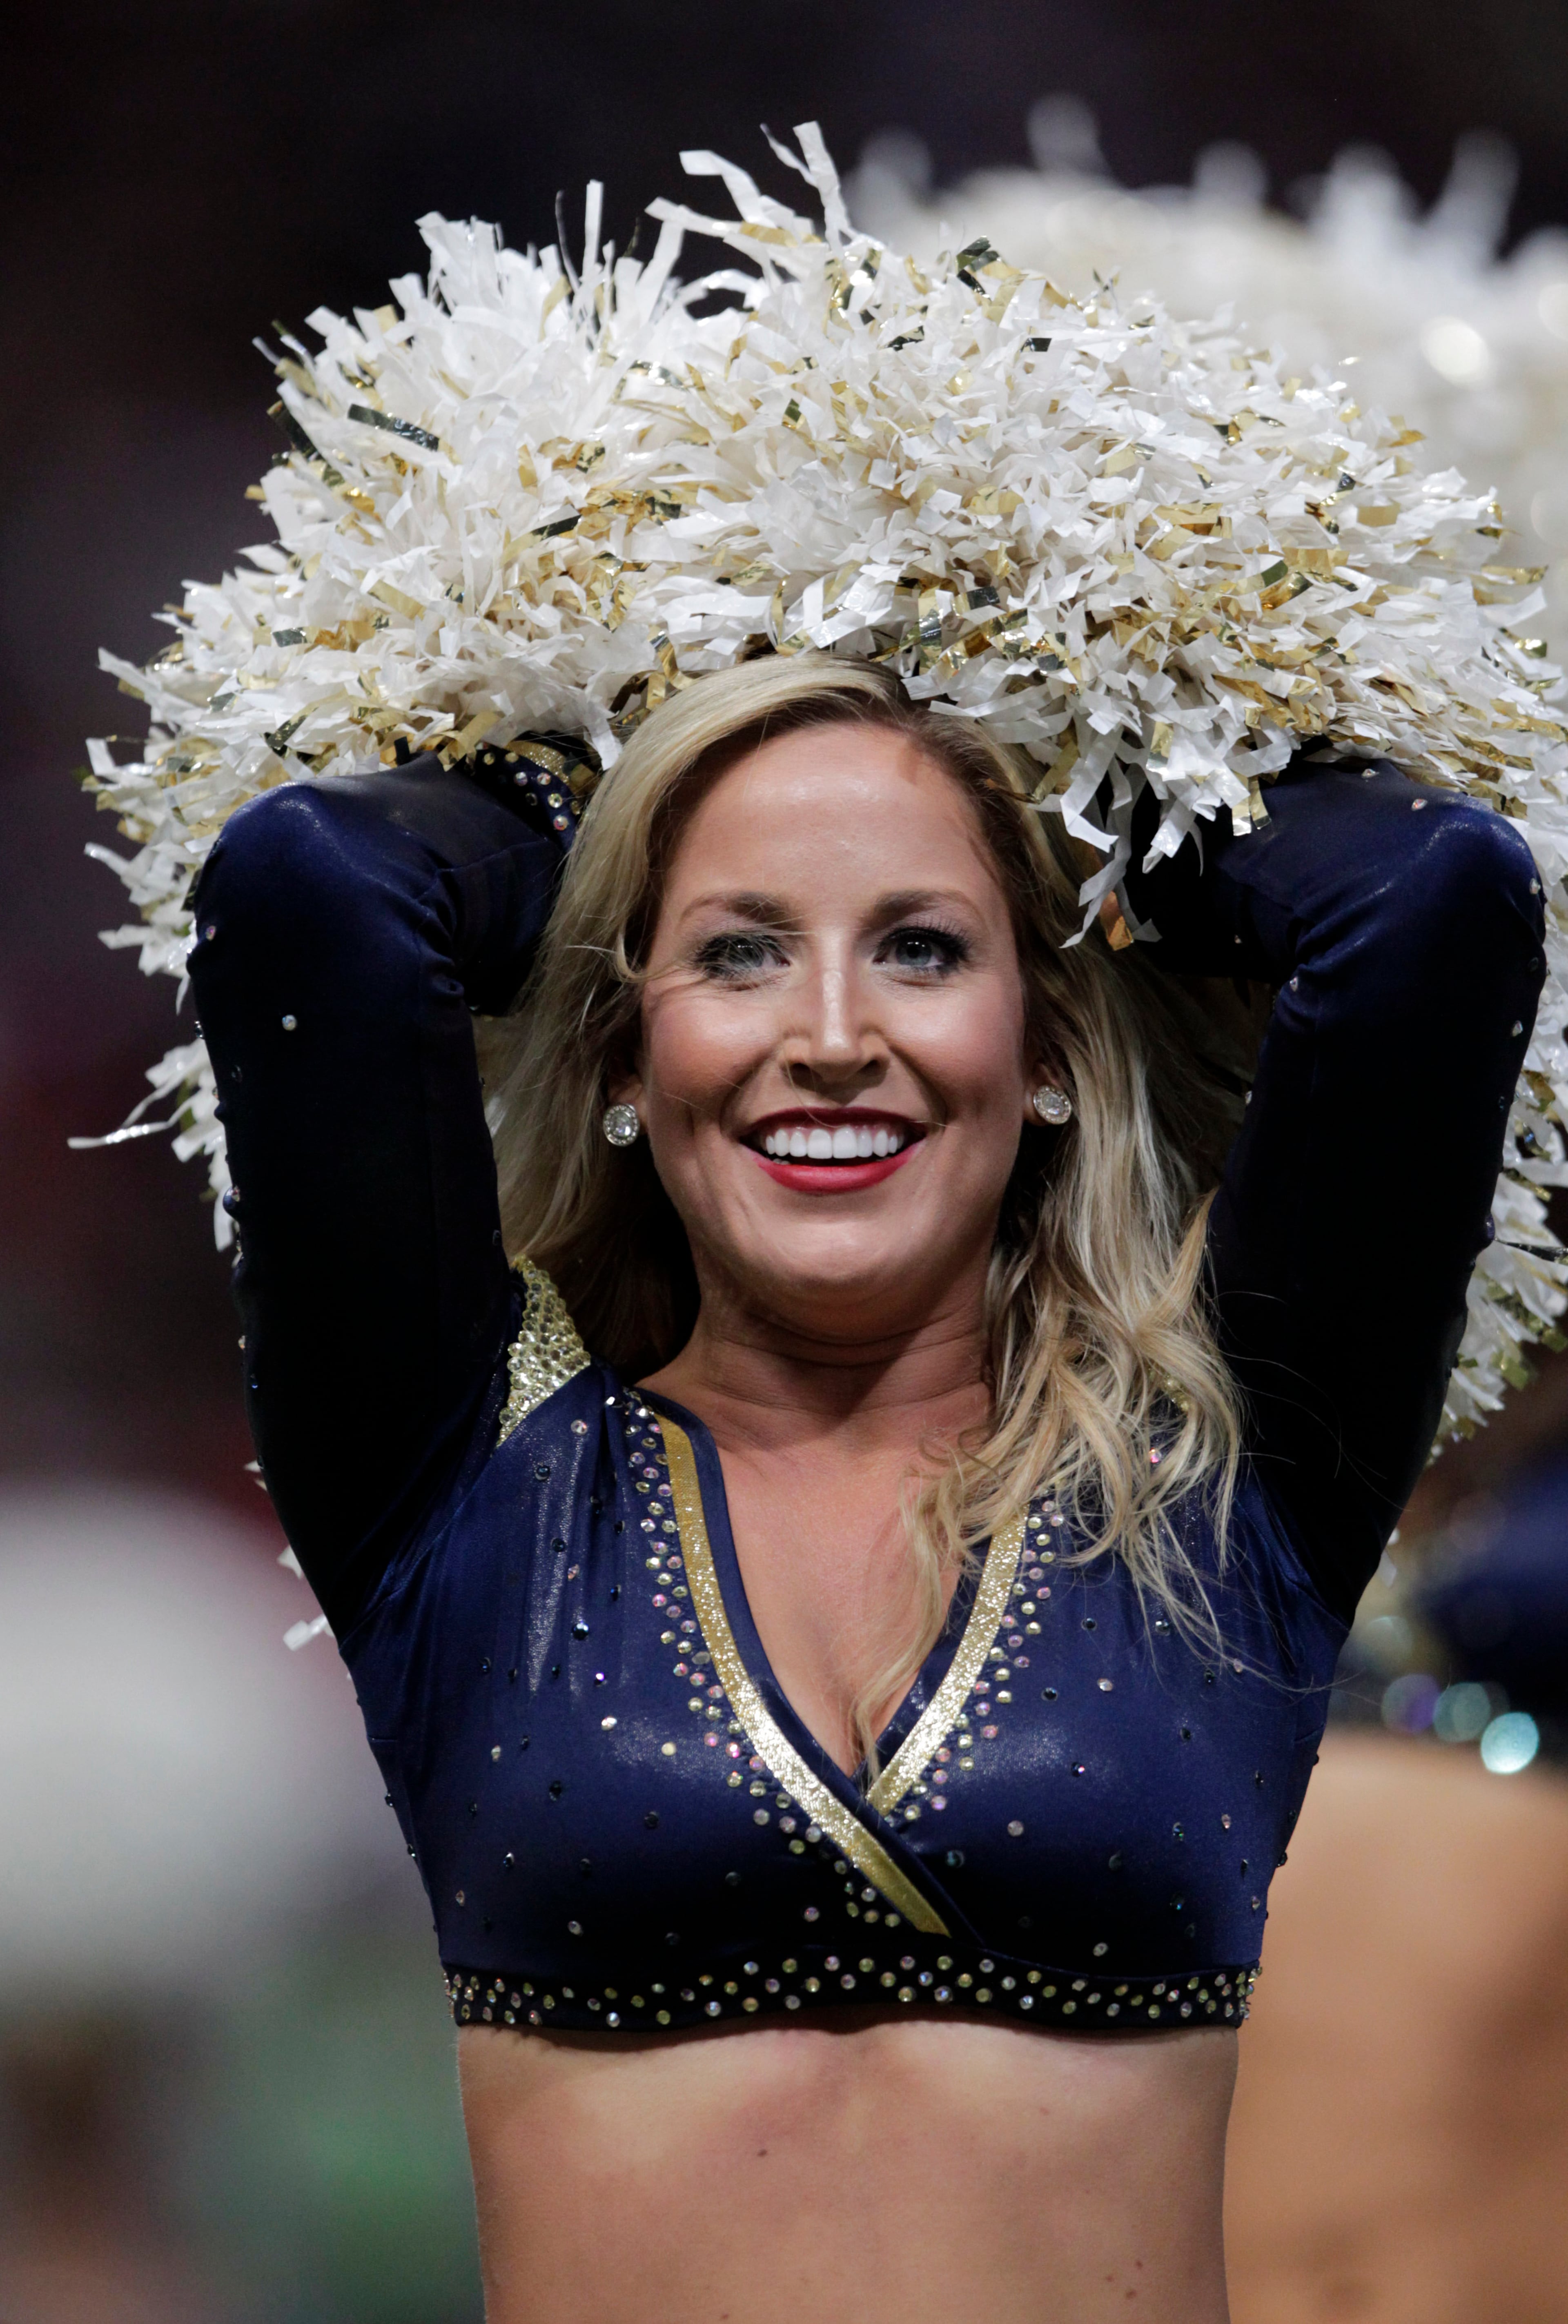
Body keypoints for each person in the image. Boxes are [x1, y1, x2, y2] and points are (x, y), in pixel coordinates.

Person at [187, 640, 1541, 2324]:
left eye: (921, 947)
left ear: (1046, 1047)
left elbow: (1433, 895)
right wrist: (594, 776)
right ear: (621, 1058)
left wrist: (1089, 768)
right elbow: (309, 884)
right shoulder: (467, 1486)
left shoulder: (1224, 1480)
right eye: (739, 953)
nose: (831, 1036)